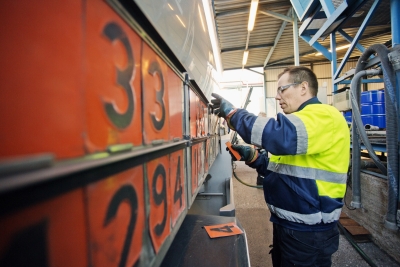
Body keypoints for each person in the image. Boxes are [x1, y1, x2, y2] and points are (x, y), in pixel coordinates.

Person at [211, 66, 350, 267]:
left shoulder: (324, 116)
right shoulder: (302, 121)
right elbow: (282, 170)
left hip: (308, 232)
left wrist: (235, 114)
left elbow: (279, 137)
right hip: (291, 225)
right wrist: (254, 157)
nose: (277, 97)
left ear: (303, 87)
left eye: (282, 89)